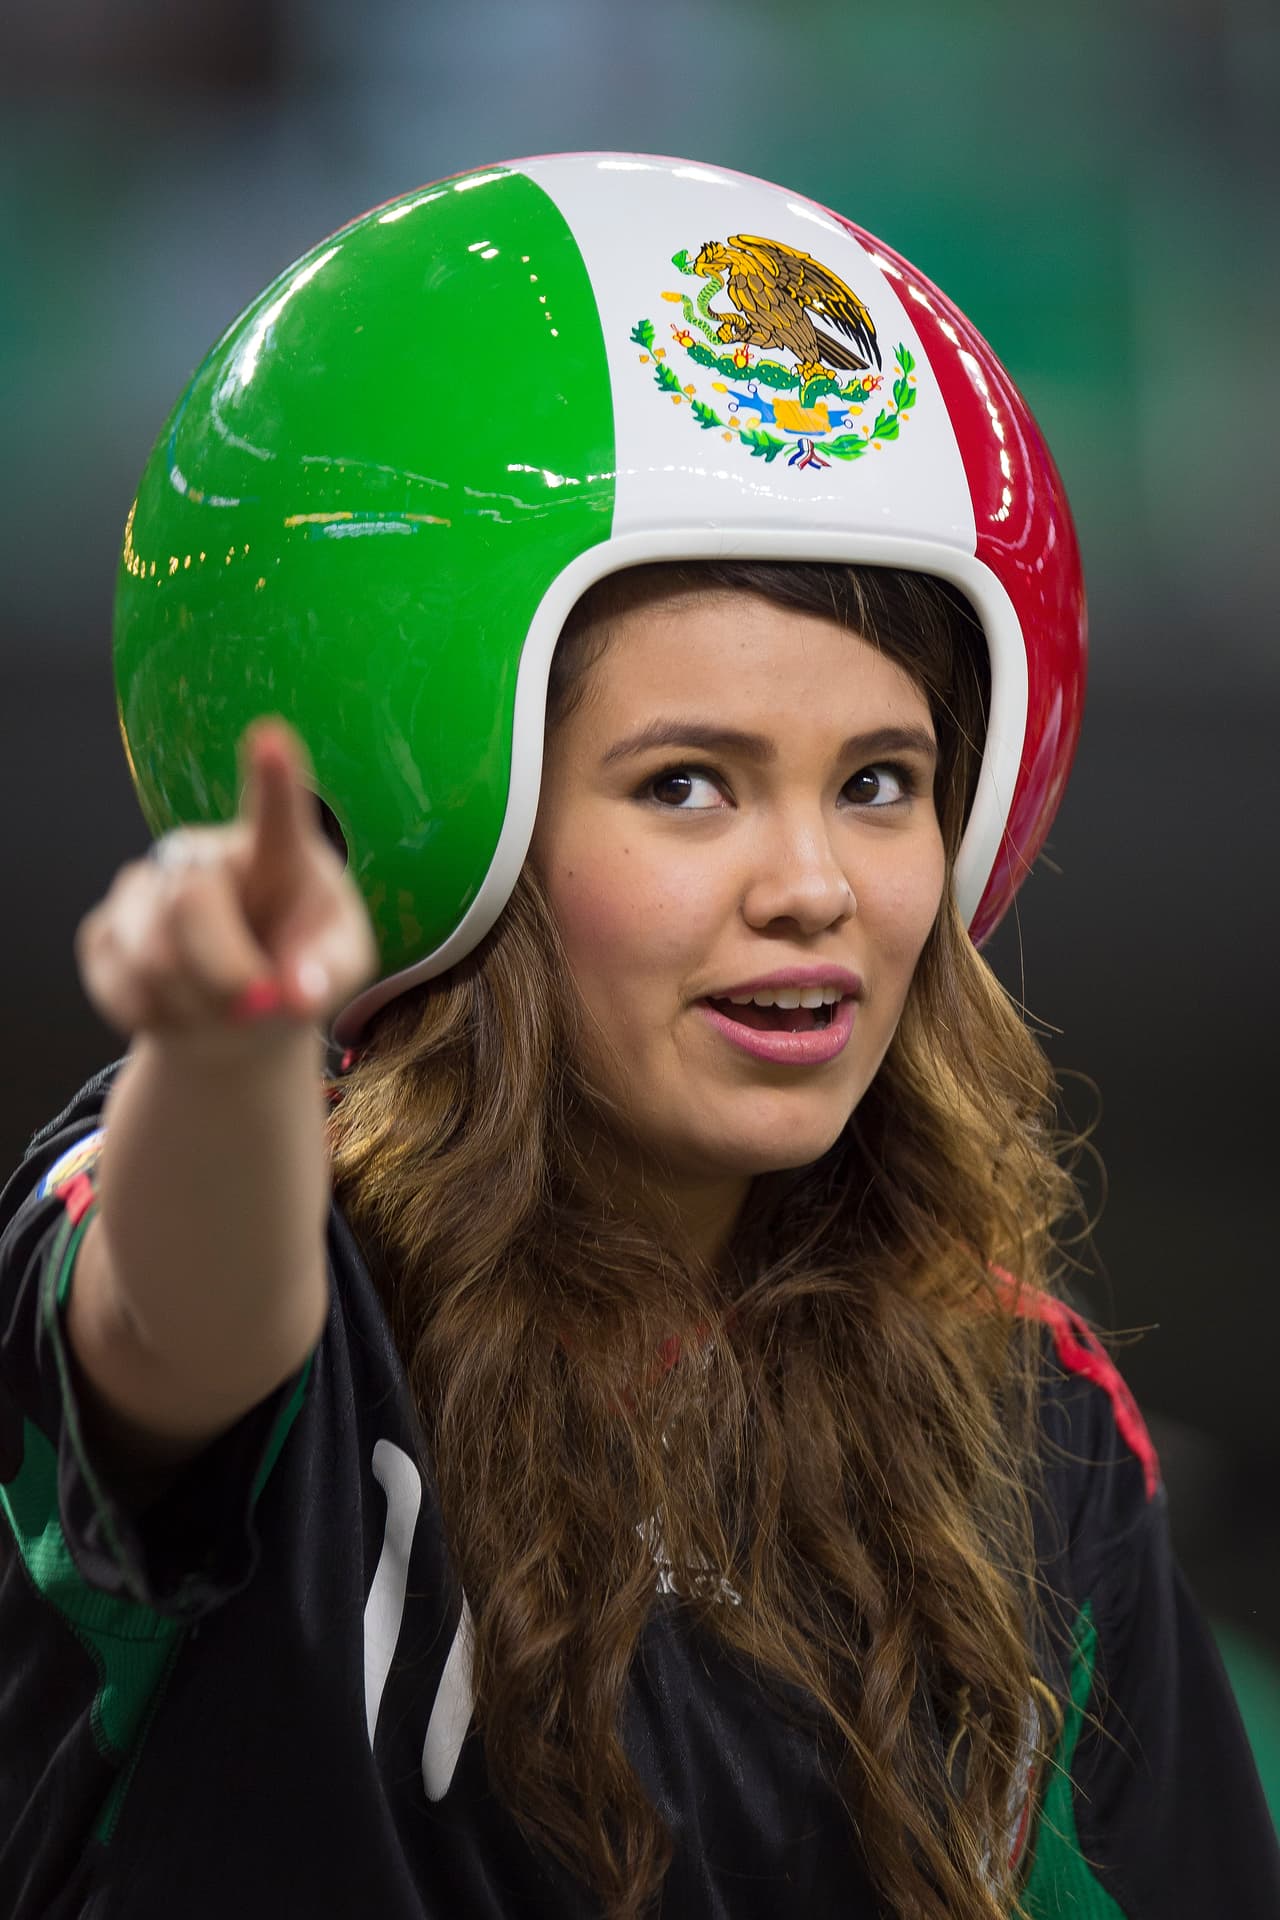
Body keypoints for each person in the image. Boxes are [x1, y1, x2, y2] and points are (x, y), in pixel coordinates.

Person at [1, 154, 1276, 1920]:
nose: (814, 886)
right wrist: (226, 1054)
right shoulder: (274, 1274)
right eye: (688, 785)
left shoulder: (1026, 1416)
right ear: (441, 814)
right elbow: (173, 1324)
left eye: (880, 783)